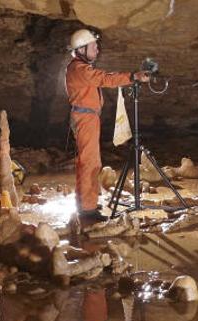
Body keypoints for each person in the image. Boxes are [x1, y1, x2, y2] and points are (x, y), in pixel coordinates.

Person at [65, 29, 150, 222]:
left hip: (86, 117)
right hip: (86, 119)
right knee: (90, 163)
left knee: (86, 162)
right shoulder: (80, 69)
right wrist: (133, 77)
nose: (97, 49)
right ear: (81, 49)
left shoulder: (77, 67)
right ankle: (87, 209)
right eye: (93, 46)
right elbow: (105, 78)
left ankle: (86, 202)